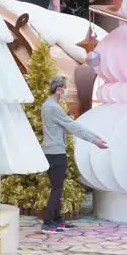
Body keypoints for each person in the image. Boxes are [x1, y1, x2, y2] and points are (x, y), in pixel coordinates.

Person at [42, 76, 105, 233]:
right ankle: (48, 222)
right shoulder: (53, 107)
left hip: (51, 152)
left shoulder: (48, 105)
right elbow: (73, 126)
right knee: (57, 189)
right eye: (64, 88)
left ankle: (57, 220)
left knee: (58, 188)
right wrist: (95, 140)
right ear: (58, 90)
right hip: (56, 153)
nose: (66, 91)